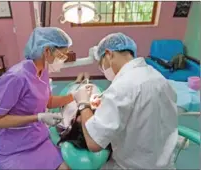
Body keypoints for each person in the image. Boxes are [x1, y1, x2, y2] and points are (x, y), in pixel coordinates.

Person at [72, 33, 178, 169]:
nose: (103, 70)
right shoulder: (158, 78)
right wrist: (94, 101)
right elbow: (135, 107)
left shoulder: (121, 87)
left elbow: (94, 143)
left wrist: (83, 104)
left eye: (101, 64)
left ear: (109, 54)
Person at [0, 27, 74, 169]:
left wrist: (73, 96)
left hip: (37, 138)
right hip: (14, 148)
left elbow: (48, 101)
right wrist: (37, 117)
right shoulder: (16, 78)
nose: (63, 60)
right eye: (61, 56)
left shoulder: (42, 71)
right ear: (46, 51)